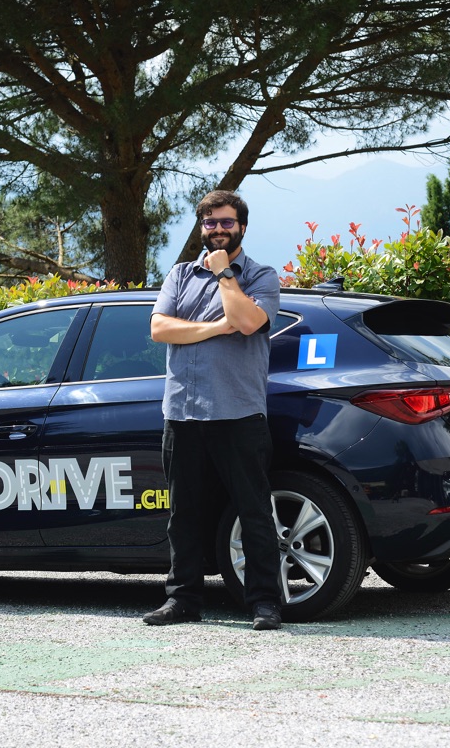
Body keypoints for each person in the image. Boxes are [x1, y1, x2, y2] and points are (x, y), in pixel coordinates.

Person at [142, 189, 283, 630]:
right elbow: (159, 328)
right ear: (201, 227)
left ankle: (264, 603)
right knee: (183, 513)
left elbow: (246, 322)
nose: (218, 230)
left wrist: (225, 276)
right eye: (210, 223)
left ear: (241, 225)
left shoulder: (261, 276)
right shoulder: (181, 275)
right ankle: (182, 599)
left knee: (254, 511)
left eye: (226, 222)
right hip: (182, 413)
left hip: (238, 412)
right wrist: (215, 328)